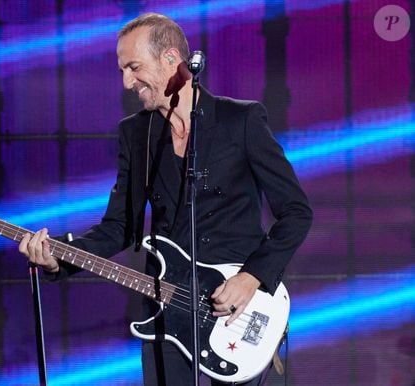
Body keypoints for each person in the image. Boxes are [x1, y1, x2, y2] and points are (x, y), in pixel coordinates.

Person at [18, 12, 312, 386]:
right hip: (166, 307)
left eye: (134, 67)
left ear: (172, 60)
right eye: (123, 70)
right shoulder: (135, 134)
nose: (127, 82)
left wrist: (252, 278)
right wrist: (57, 258)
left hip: (238, 309)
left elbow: (297, 213)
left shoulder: (242, 120)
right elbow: (119, 228)